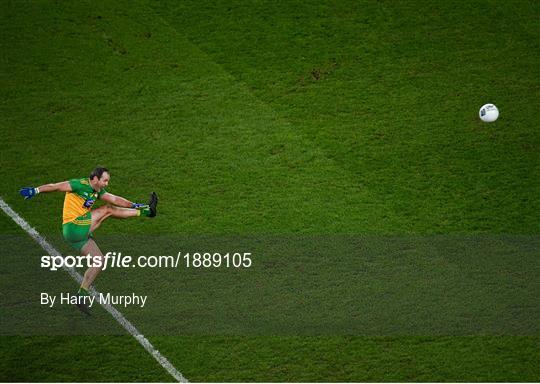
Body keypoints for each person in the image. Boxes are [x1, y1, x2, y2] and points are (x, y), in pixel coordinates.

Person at [19, 167, 157, 314]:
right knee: (107, 210)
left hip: (77, 233)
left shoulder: (97, 190)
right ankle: (147, 212)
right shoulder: (79, 184)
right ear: (95, 179)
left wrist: (134, 204)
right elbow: (56, 186)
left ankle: (81, 295)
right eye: (105, 180)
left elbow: (115, 199)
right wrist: (35, 191)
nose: (106, 184)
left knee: (99, 261)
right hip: (73, 225)